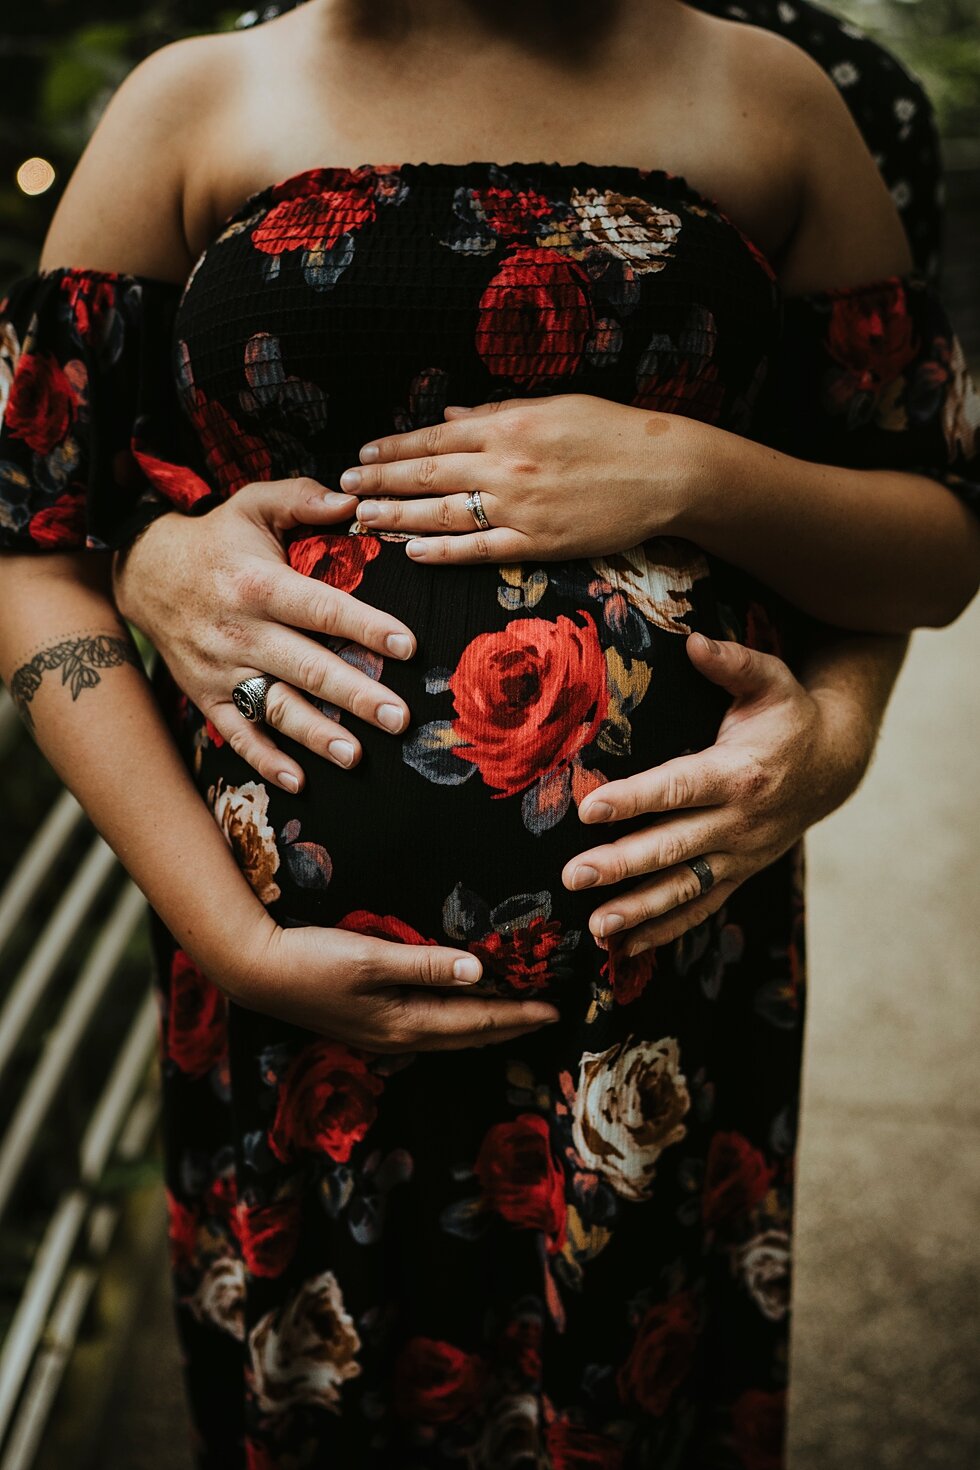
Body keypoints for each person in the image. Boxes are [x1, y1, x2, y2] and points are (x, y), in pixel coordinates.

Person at [0, 2, 977, 1467]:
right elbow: (34, 547)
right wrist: (233, 936)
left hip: (657, 1006)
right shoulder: (189, 108)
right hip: (280, 1020)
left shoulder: (779, 104)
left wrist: (687, 468)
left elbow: (932, 544)